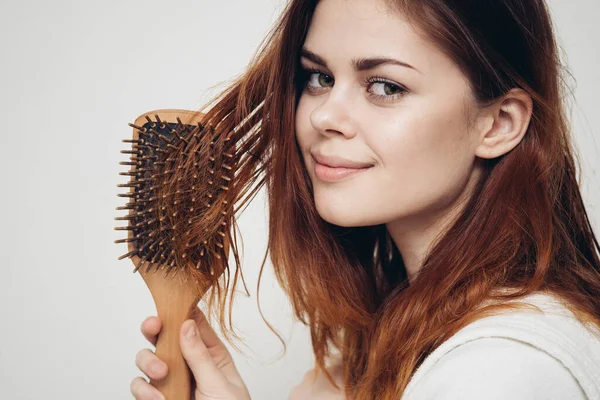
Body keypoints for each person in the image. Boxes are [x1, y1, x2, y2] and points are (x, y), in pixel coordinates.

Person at [130, 0, 600, 399]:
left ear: (499, 123)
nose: (325, 116)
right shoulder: (398, 345)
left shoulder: (500, 372)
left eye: (386, 87)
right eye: (318, 77)